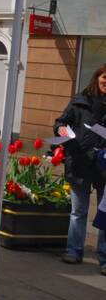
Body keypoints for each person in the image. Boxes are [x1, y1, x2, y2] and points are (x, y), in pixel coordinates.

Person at [55, 64, 106, 273]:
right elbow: (61, 122)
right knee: (78, 211)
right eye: (104, 78)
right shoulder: (80, 101)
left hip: (104, 165)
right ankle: (74, 250)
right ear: (97, 78)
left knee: (105, 213)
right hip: (80, 161)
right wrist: (62, 130)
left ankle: (104, 257)